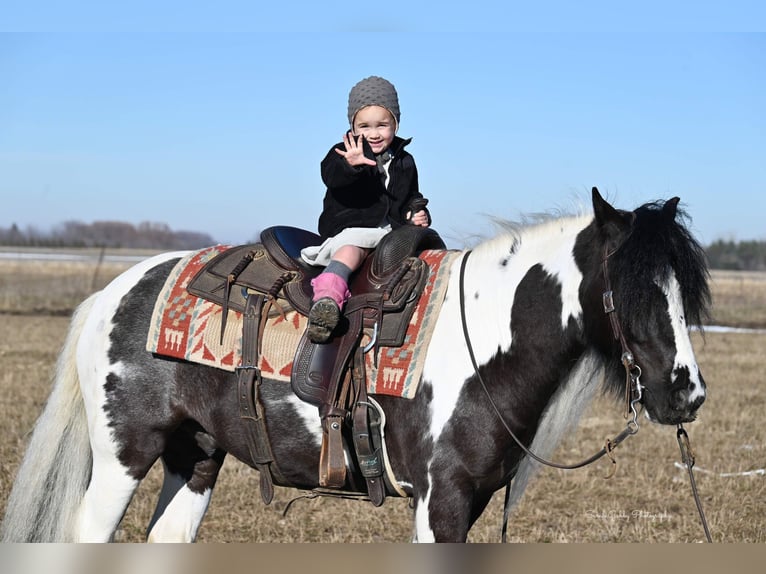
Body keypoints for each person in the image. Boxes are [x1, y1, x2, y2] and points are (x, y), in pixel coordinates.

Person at [301, 75, 431, 344]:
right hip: (354, 229)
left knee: (421, 257)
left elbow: (409, 196)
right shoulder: (344, 152)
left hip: (391, 234)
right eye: (365, 126)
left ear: (395, 124)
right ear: (353, 126)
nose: (374, 133)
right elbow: (332, 175)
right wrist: (353, 166)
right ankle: (327, 299)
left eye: (382, 125)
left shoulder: (405, 160)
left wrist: (414, 213)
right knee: (350, 252)